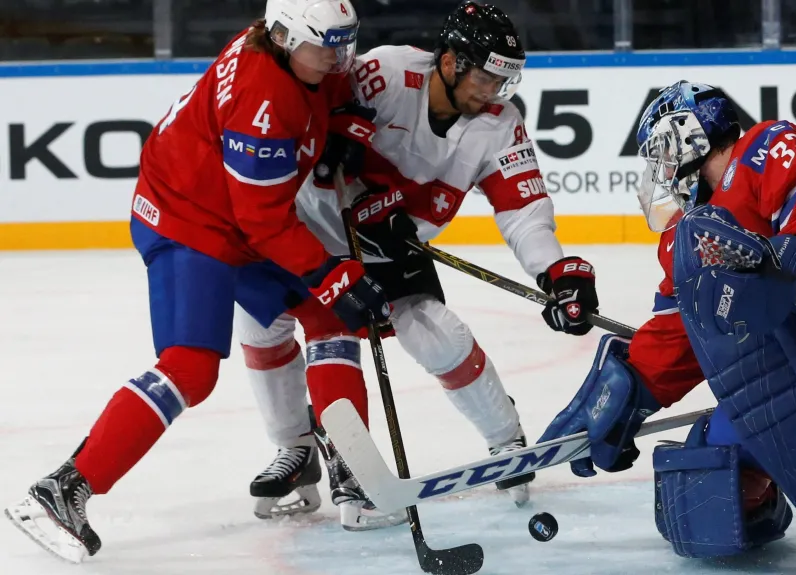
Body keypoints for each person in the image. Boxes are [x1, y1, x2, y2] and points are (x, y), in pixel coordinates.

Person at [3, 0, 390, 563]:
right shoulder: (264, 98)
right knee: (191, 367)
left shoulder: (285, 55)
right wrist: (332, 275)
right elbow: (264, 220)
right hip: (189, 224)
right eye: (326, 45)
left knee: (328, 318)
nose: (339, 57)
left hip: (230, 218)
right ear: (284, 36)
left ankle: (349, 470)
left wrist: (343, 123)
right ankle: (62, 490)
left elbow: (320, 98)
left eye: (344, 42)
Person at [537, 81, 796, 575]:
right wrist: (628, 388)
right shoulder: (696, 229)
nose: (657, 171)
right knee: (714, 460)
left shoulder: (765, 149)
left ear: (688, 139)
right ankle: (773, 500)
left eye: (657, 153)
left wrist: (786, 265)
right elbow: (683, 327)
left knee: (766, 404)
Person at [237, 1, 601, 530]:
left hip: (391, 243)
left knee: (436, 333)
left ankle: (507, 443)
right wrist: (336, 132)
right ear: (450, 63)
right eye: (486, 78)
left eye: (506, 80)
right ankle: (294, 449)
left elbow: (524, 214)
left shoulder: (499, 125)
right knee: (260, 320)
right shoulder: (383, 71)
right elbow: (307, 99)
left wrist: (555, 270)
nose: (494, 92)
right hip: (309, 226)